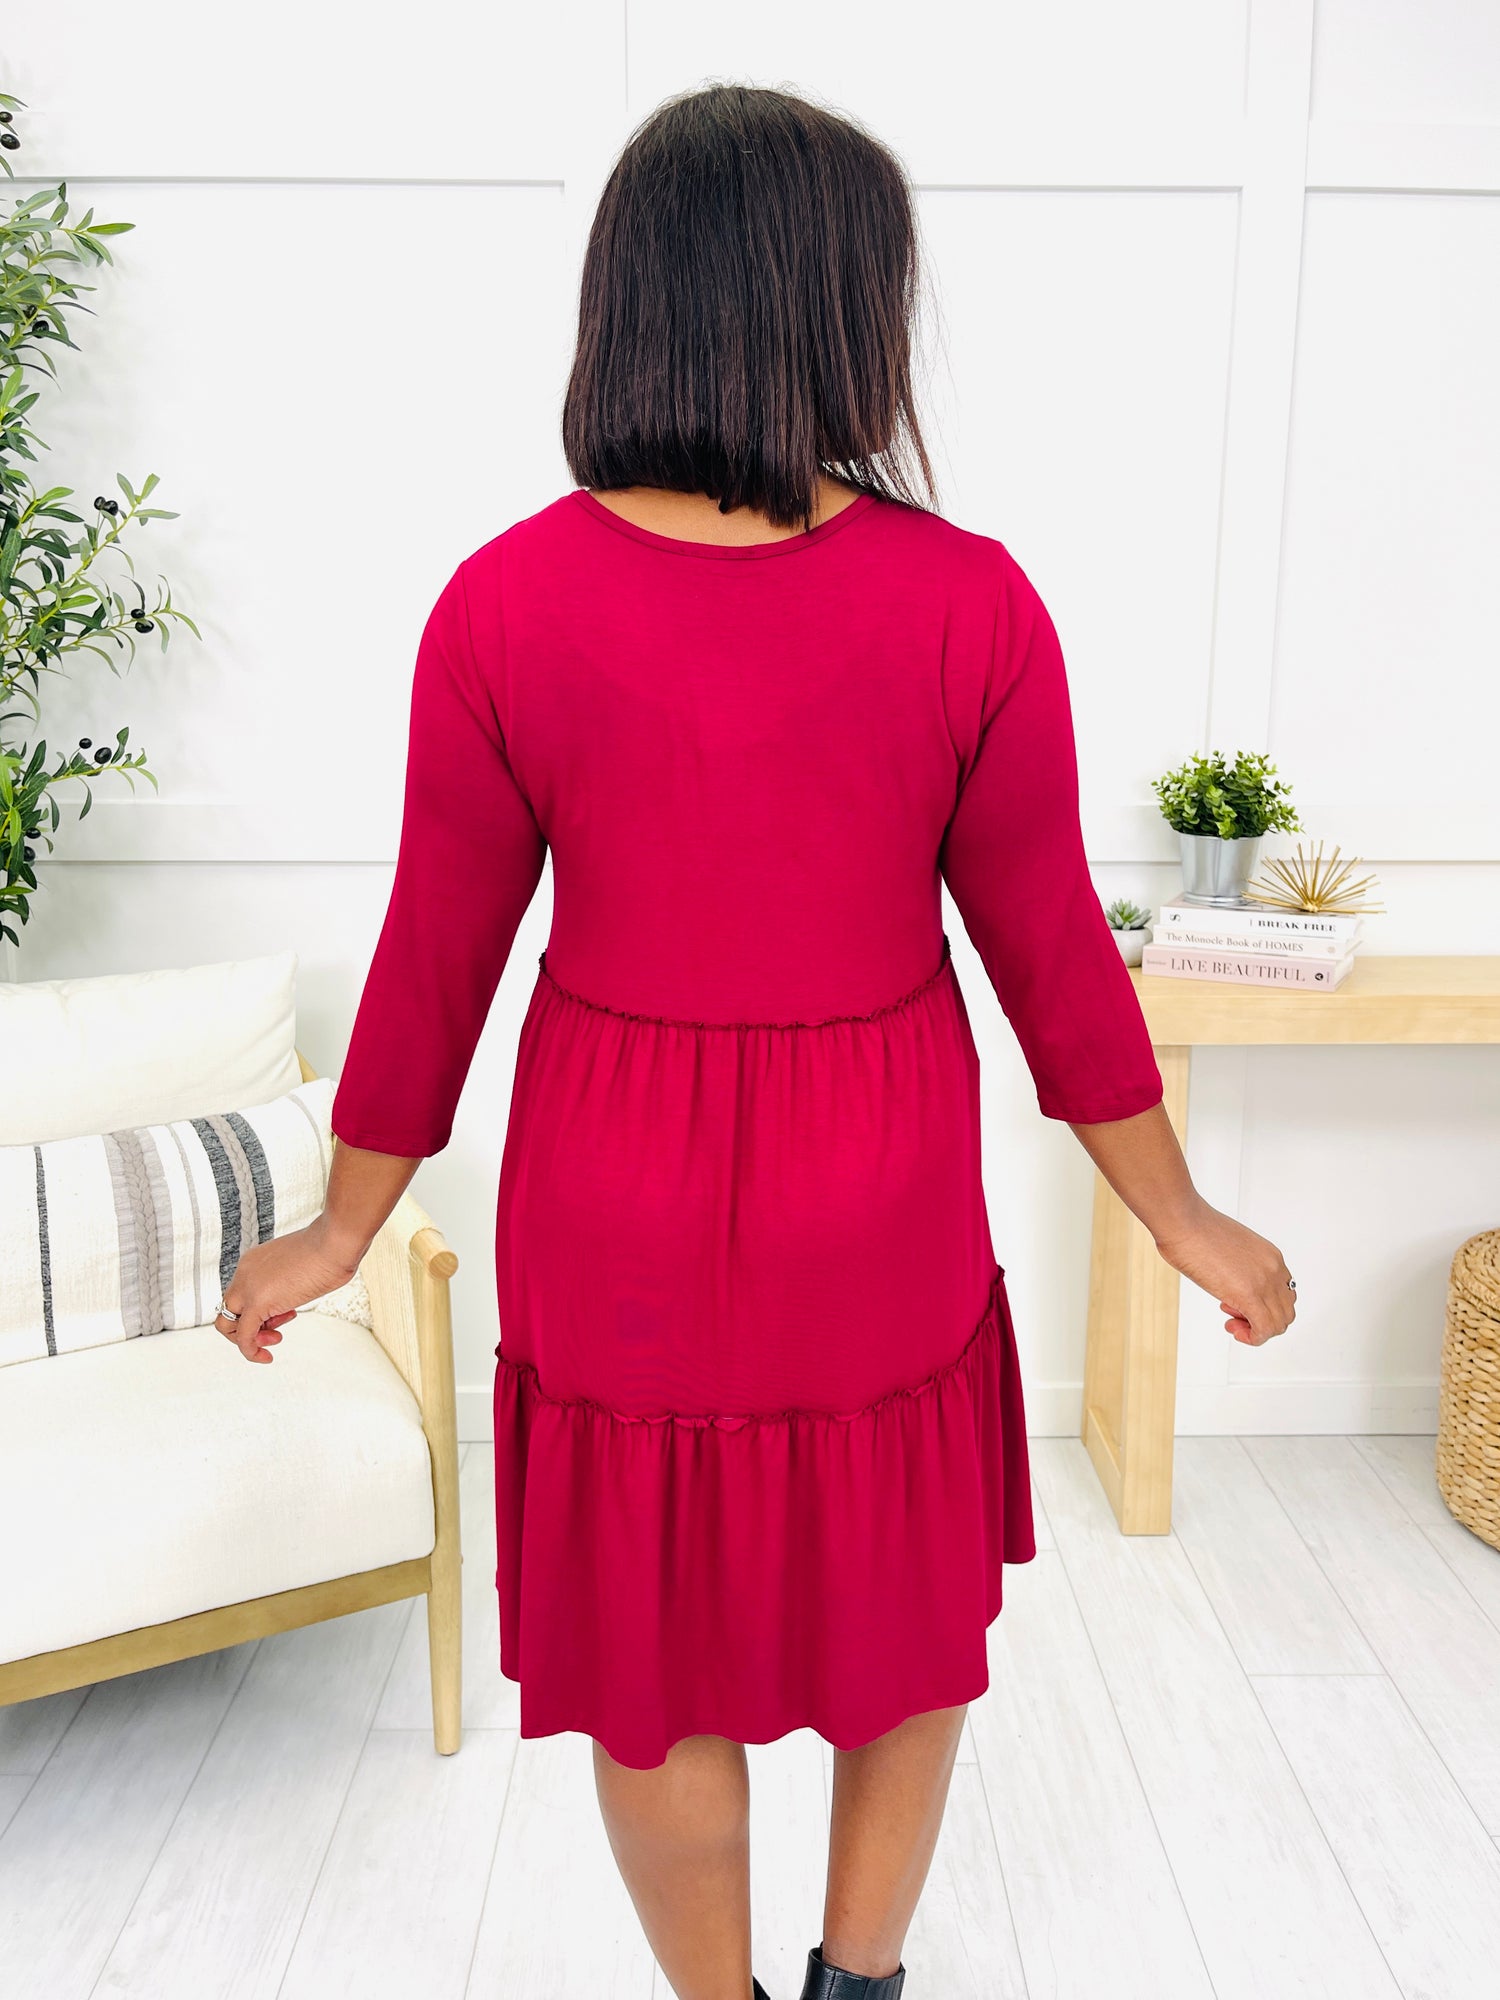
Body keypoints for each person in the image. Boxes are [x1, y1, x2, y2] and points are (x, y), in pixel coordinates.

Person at [217, 82, 1296, 2000]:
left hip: (610, 1198)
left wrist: (341, 1228)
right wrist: (1180, 1212)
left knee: (651, 1666)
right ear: (837, 306)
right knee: (903, 1619)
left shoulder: (501, 607)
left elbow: (435, 960)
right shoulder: (970, 605)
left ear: (632, 299)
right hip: (872, 1190)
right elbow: (1052, 954)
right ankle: (858, 1987)